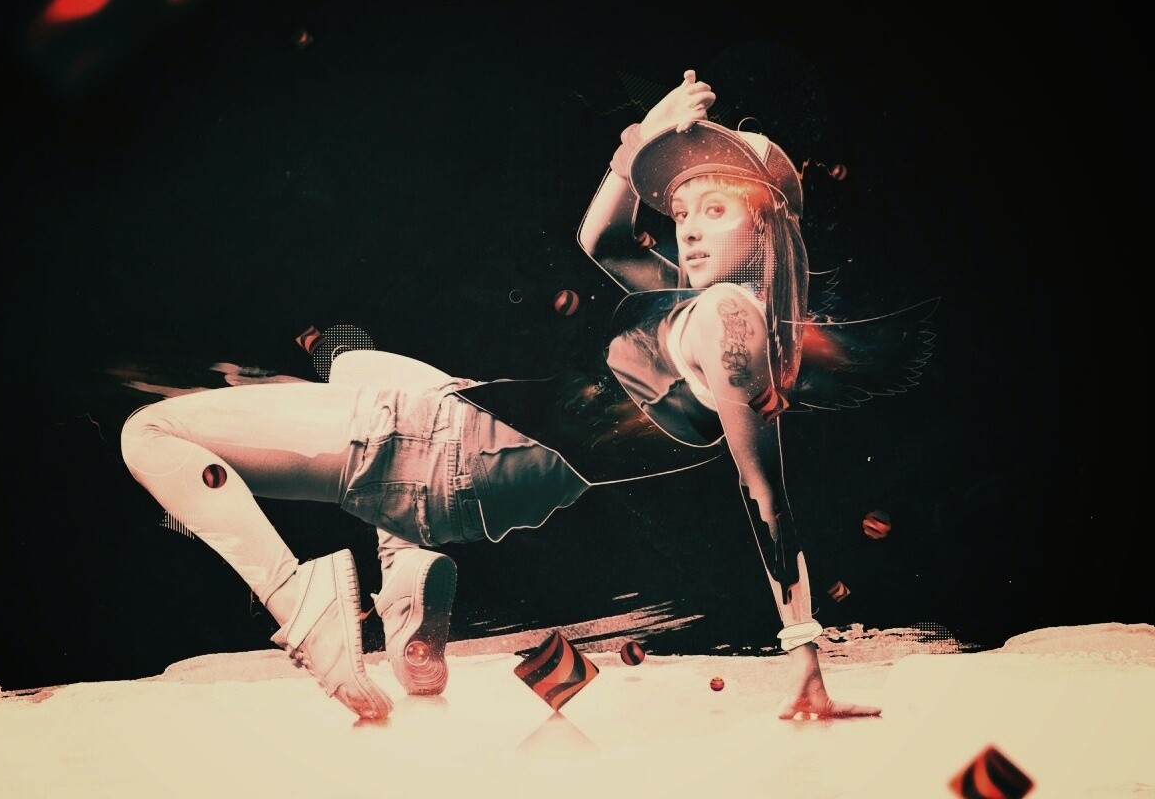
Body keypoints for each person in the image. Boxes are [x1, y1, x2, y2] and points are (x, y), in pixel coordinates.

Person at [119, 69, 885, 723]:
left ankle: (302, 601)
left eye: (714, 210)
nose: (685, 231)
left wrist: (803, 651)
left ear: (768, 225)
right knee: (355, 365)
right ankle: (409, 575)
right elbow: (602, 240)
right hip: (474, 455)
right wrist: (642, 139)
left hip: (436, 449)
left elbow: (765, 495)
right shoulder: (711, 313)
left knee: (150, 435)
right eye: (681, 212)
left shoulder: (724, 322)